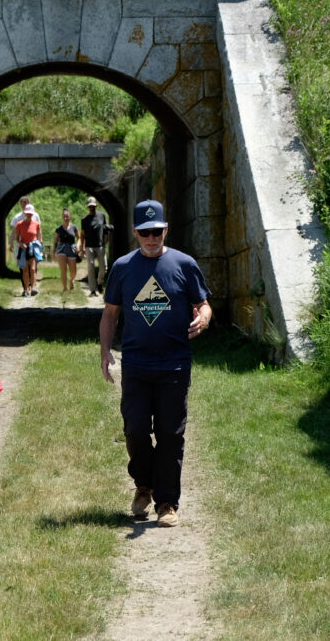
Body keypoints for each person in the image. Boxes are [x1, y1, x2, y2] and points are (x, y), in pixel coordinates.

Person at [99, 199, 212, 528]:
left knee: (170, 434)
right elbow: (110, 315)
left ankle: (166, 502)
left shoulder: (184, 264)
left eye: (157, 231)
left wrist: (202, 319)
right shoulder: (123, 267)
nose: (152, 237)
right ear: (135, 232)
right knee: (135, 430)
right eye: (145, 232)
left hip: (174, 364)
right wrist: (106, 351)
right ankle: (143, 485)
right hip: (135, 364)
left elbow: (203, 304)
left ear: (166, 230)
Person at [9, 196, 41, 294]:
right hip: (22, 246)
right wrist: (11, 243)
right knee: (24, 269)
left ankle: (33, 287)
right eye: (23, 202)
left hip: (33, 246)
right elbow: (14, 232)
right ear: (20, 204)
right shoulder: (17, 218)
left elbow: (39, 230)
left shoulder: (35, 216)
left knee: (33, 268)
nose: (25, 204)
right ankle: (25, 288)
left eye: (26, 202)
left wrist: (40, 243)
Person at [81, 196, 108, 296]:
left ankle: (99, 282)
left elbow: (105, 228)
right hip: (89, 246)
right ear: (88, 207)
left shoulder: (102, 216)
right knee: (91, 267)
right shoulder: (85, 220)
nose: (92, 208)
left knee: (104, 267)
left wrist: (106, 237)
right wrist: (82, 248)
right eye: (90, 206)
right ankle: (92, 290)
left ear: (96, 206)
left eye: (93, 206)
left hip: (100, 245)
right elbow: (82, 234)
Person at [53, 208, 81, 291]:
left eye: (67, 216)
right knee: (63, 269)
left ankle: (72, 280)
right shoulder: (59, 229)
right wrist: (54, 251)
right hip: (61, 249)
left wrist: (78, 246)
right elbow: (55, 240)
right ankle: (65, 288)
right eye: (64, 216)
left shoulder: (74, 227)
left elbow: (79, 238)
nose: (65, 218)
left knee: (73, 271)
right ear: (62, 217)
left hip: (72, 249)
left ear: (70, 217)